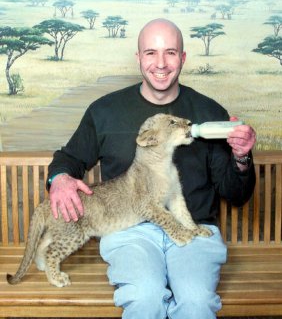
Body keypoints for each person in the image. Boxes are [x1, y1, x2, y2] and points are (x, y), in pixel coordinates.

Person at [47, 18, 256, 319]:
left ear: (183, 58)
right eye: (150, 53)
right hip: (130, 232)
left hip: (193, 229)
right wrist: (61, 178)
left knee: (196, 303)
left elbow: (236, 194)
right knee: (145, 298)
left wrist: (241, 155)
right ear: (138, 58)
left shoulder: (210, 114)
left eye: (170, 52)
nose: (161, 63)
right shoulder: (104, 111)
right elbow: (69, 159)